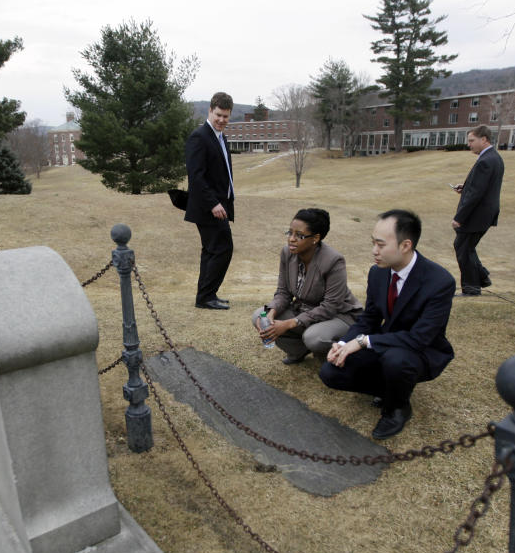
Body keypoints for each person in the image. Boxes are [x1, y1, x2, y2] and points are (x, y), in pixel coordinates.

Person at [320, 210, 455, 439]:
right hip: (386, 343)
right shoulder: (377, 273)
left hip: (420, 352)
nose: (374, 251)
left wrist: (363, 342)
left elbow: (419, 338)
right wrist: (344, 343)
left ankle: (397, 408)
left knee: (397, 361)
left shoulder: (440, 282)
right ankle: (392, 389)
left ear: (405, 245)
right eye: (373, 243)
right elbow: (370, 318)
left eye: (381, 245)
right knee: (330, 372)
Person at [252, 208, 361, 364]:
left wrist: (289, 323)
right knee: (259, 316)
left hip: (338, 315)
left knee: (313, 337)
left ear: (315, 238)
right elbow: (283, 292)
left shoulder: (333, 260)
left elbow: (330, 307)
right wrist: (271, 312)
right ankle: (298, 351)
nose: (291, 239)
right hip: (305, 310)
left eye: (299, 235)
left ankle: (337, 353)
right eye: (289, 233)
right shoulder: (287, 253)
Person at [185, 92, 235, 310]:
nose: (222, 120)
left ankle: (206, 295)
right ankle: (206, 296)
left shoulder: (220, 136)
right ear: (210, 111)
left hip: (218, 204)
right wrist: (213, 203)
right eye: (218, 115)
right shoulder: (200, 136)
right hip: (208, 207)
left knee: (212, 250)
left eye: (226, 116)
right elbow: (196, 176)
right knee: (222, 248)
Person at [451, 124, 504, 296]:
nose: (469, 144)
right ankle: (481, 278)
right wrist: (464, 187)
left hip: (477, 215)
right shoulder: (493, 157)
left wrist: (459, 217)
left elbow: (476, 194)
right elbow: (478, 188)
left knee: (463, 247)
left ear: (484, 139)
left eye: (472, 140)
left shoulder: (486, 161)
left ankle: (472, 288)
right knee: (466, 247)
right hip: (484, 215)